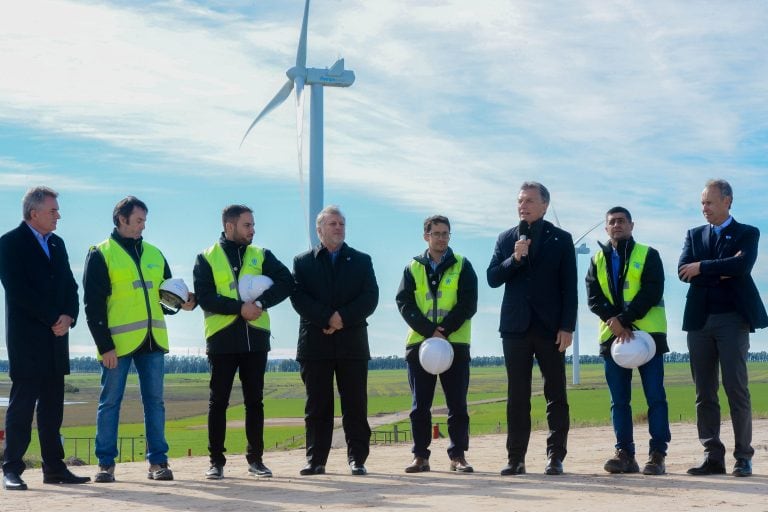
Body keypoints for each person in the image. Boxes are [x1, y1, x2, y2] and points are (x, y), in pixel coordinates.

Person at [83, 196, 196, 483]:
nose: (143, 226)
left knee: (155, 403)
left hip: (153, 340)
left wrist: (183, 303)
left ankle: (158, 463)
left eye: (145, 220)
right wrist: (104, 345)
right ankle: (105, 465)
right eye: (139, 220)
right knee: (110, 402)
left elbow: (167, 297)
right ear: (121, 219)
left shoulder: (156, 254)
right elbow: (93, 305)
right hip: (117, 345)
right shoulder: (101, 253)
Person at [193, 204, 293, 480]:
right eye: (247, 225)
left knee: (255, 402)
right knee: (218, 402)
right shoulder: (206, 258)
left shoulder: (261, 254)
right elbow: (205, 296)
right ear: (230, 226)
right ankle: (216, 462)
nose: (253, 230)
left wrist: (260, 302)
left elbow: (287, 282)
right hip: (222, 339)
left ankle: (256, 460)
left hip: (256, 340)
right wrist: (240, 308)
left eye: (253, 225)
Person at [0, 186, 90, 490]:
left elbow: (70, 285)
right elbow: (18, 290)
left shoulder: (58, 243)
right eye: (53, 210)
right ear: (33, 212)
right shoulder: (9, 243)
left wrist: (69, 316)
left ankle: (54, 468)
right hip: (28, 340)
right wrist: (53, 317)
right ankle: (12, 468)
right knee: (22, 408)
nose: (58, 216)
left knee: (53, 409)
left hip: (57, 338)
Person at [678, 179, 767, 478]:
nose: (704, 208)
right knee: (705, 392)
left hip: (733, 320)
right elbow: (682, 271)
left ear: (728, 201)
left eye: (710, 202)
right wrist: (722, 268)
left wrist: (702, 268)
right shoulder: (693, 235)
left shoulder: (747, 233)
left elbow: (741, 268)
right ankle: (712, 456)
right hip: (699, 322)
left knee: (736, 389)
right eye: (702, 203)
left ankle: (743, 456)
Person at [487, 181, 577, 476]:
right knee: (517, 396)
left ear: (544, 205)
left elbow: (570, 287)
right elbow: (492, 278)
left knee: (556, 394)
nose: (522, 205)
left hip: (551, 328)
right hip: (515, 328)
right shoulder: (506, 238)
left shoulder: (561, 239)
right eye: (519, 200)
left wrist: (567, 326)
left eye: (528, 200)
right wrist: (514, 258)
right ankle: (516, 458)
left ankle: (555, 456)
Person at [290, 205, 379, 476]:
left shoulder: (361, 260)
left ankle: (357, 459)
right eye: (332, 224)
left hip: (352, 343)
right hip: (315, 344)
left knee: (355, 405)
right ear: (319, 230)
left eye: (341, 223)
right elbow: (299, 298)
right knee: (317, 406)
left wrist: (342, 318)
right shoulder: (303, 262)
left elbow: (370, 297)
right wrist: (327, 318)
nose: (338, 228)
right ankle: (316, 459)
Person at [585, 206, 670, 476]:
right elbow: (593, 297)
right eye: (612, 222)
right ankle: (625, 454)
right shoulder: (597, 259)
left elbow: (652, 290)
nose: (617, 225)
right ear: (606, 228)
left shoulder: (648, 254)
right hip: (613, 339)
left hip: (647, 337)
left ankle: (657, 455)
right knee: (618, 401)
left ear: (632, 225)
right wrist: (615, 322)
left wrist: (626, 319)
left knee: (655, 397)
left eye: (622, 221)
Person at [396, 215, 478, 473]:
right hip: (420, 346)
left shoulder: (463, 265)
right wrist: (429, 331)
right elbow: (404, 302)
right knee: (420, 406)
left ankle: (458, 456)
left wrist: (444, 330)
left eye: (446, 233)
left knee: (457, 405)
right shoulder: (412, 268)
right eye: (437, 233)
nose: (442, 238)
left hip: (455, 344)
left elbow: (468, 304)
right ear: (426, 236)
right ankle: (420, 456)